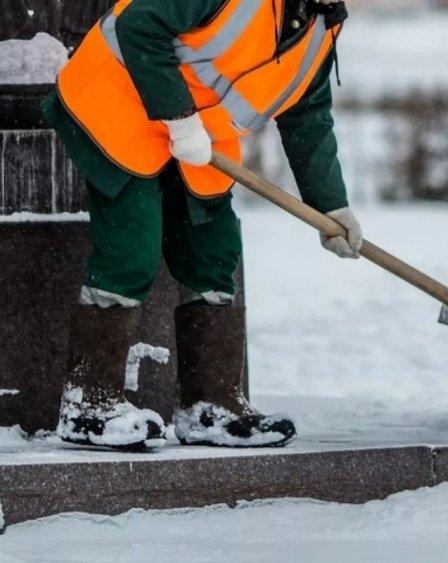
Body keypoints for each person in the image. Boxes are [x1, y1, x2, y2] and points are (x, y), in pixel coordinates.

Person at [41, 0, 362, 450]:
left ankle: (210, 406)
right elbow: (137, 24)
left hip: (199, 137)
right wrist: (177, 116)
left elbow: (307, 112)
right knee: (132, 245)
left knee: (212, 249)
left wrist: (331, 206)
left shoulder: (320, 29)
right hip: (117, 98)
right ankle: (88, 405)